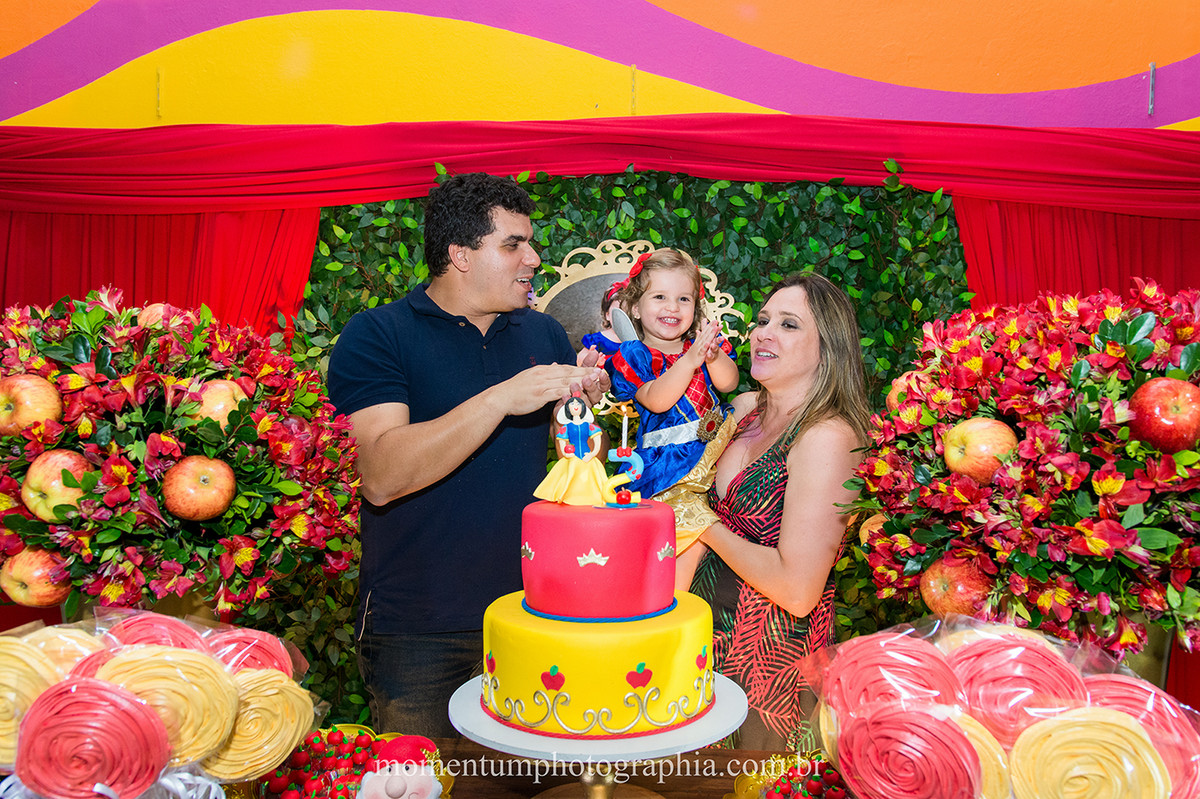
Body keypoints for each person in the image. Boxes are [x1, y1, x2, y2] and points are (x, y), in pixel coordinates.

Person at [326, 172, 608, 737]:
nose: (532, 257)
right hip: (417, 631)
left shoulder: (544, 335)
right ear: (458, 254)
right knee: (420, 784)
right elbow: (380, 475)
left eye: (530, 242)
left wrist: (585, 409)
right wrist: (503, 397)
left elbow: (572, 467)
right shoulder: (378, 335)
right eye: (513, 245)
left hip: (531, 616)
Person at [676, 272, 871, 751]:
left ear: (829, 348)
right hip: (698, 645)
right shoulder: (744, 410)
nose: (763, 332)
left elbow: (798, 589)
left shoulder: (829, 437)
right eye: (763, 320)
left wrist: (704, 523)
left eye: (788, 324)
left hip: (768, 671)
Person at [605, 248, 740, 552]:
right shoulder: (634, 355)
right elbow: (657, 400)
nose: (673, 307)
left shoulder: (699, 347)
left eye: (683, 299)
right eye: (659, 297)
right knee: (681, 535)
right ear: (635, 308)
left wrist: (713, 355)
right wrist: (690, 361)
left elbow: (729, 383)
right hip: (670, 464)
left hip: (716, 448)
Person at [579, 282, 623, 358]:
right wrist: (593, 363)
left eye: (628, 312)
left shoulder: (639, 339)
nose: (622, 316)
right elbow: (579, 362)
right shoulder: (597, 340)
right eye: (617, 312)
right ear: (607, 315)